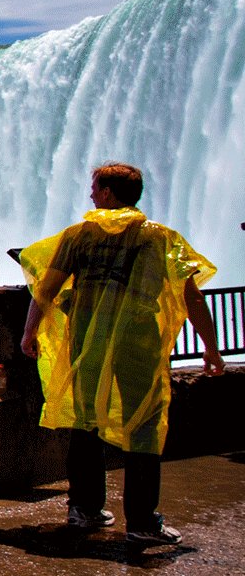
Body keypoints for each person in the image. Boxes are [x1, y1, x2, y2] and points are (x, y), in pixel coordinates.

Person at [19, 162, 224, 545]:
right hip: (137, 343)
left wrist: (30, 331)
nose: (91, 194)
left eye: (95, 187)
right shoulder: (159, 238)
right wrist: (210, 348)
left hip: (88, 344)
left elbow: (46, 289)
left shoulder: (79, 236)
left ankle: (85, 509)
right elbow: (191, 296)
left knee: (86, 421)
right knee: (143, 427)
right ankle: (143, 522)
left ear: (110, 193)